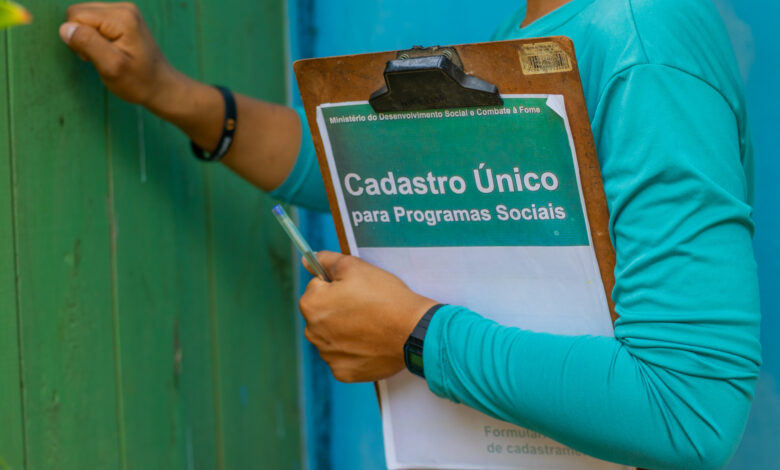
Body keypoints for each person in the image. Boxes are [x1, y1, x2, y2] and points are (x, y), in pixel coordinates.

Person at [59, 1, 761, 468]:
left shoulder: (647, 40)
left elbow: (689, 407)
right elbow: (357, 168)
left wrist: (415, 337)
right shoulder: (554, 30)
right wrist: (169, 92)